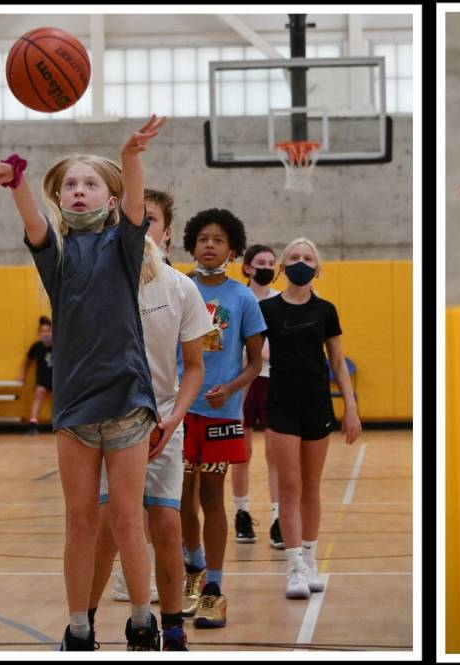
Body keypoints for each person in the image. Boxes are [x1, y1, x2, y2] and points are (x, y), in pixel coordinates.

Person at [0, 114, 170, 650]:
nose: (79, 191)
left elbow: (133, 202)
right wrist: (15, 178)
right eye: (71, 185)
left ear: (109, 196)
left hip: (127, 401)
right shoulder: (54, 254)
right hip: (75, 407)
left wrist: (130, 156)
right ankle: (79, 627)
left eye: (89, 183)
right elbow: (33, 219)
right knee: (80, 522)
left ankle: (143, 622)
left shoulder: (125, 245)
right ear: (63, 198)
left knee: (128, 521)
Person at [86, 188, 210, 651]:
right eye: (130, 219)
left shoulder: (180, 286)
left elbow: (194, 366)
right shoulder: (98, 279)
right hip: (111, 419)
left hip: (162, 418)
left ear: (168, 232)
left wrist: (174, 419)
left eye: (149, 219)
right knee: (108, 528)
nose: (139, 227)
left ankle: (173, 627)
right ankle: (86, 623)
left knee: (167, 524)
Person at [260, 237, 362, 599]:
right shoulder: (267, 310)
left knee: (311, 485)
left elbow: (337, 362)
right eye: (294, 257)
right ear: (283, 266)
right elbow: (252, 359)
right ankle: (294, 569)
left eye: (308, 258)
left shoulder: (326, 310)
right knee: (289, 486)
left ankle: (310, 559)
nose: (301, 261)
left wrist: (350, 408)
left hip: (318, 405)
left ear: (317, 269)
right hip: (281, 406)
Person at [179, 209, 266, 628]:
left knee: (212, 498)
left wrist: (230, 389)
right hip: (178, 412)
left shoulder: (243, 298)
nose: (209, 245)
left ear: (232, 250)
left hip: (221, 413)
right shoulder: (176, 289)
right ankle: (192, 571)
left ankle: (213, 586)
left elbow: (255, 362)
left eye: (218, 239)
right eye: (203, 239)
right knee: (179, 499)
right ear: (191, 246)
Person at [234, 243, 283, 547]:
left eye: (270, 262)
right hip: (240, 382)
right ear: (248, 267)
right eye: (260, 262)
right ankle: (242, 514)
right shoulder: (239, 298)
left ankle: (279, 517)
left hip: (273, 381)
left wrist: (268, 353)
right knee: (242, 453)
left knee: (276, 454)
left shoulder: (280, 301)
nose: (266, 266)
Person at [18, 315, 54, 435]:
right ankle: (33, 423)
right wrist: (22, 375)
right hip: (42, 378)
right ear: (39, 333)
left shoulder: (58, 345)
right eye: (43, 331)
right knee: (39, 394)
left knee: (59, 399)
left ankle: (61, 424)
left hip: (56, 379)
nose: (46, 333)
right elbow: (26, 361)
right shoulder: (37, 347)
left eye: (49, 330)